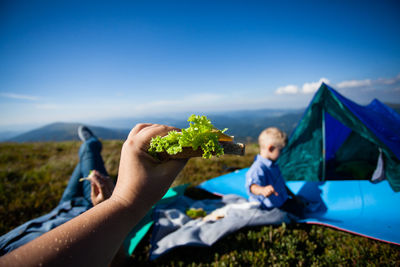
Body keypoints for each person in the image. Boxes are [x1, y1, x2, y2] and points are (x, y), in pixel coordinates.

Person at [0, 123, 187, 266]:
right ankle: (91, 143)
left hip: (64, 206)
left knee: (87, 161)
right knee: (90, 153)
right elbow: (118, 262)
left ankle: (89, 144)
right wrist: (121, 202)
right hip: (93, 205)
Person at [0, 126, 115, 256]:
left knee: (85, 159)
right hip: (91, 209)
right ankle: (93, 142)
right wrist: (104, 210)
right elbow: (108, 255)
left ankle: (89, 150)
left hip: (64, 206)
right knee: (88, 149)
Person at [245, 127, 305, 218]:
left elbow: (281, 184)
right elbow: (252, 186)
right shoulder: (258, 168)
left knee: (301, 207)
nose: (281, 154)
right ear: (271, 148)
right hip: (268, 207)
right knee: (297, 214)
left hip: (281, 201)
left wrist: (293, 196)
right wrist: (262, 190)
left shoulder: (274, 165)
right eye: (280, 150)